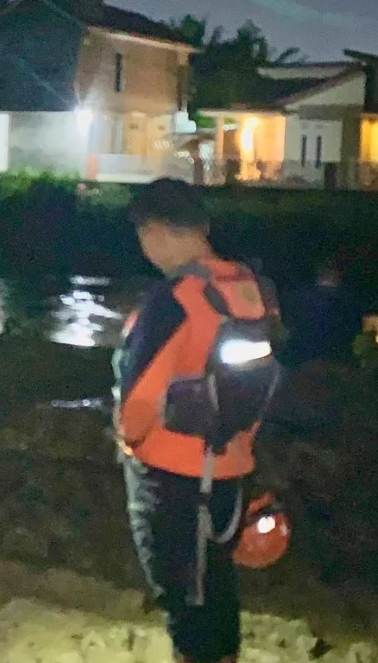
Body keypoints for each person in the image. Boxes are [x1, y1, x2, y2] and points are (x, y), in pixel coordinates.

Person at [113, 178, 281, 663]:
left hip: (173, 478)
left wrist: (129, 443)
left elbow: (137, 404)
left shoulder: (173, 300)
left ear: (156, 231)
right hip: (231, 469)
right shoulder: (251, 288)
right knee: (217, 590)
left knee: (184, 605)